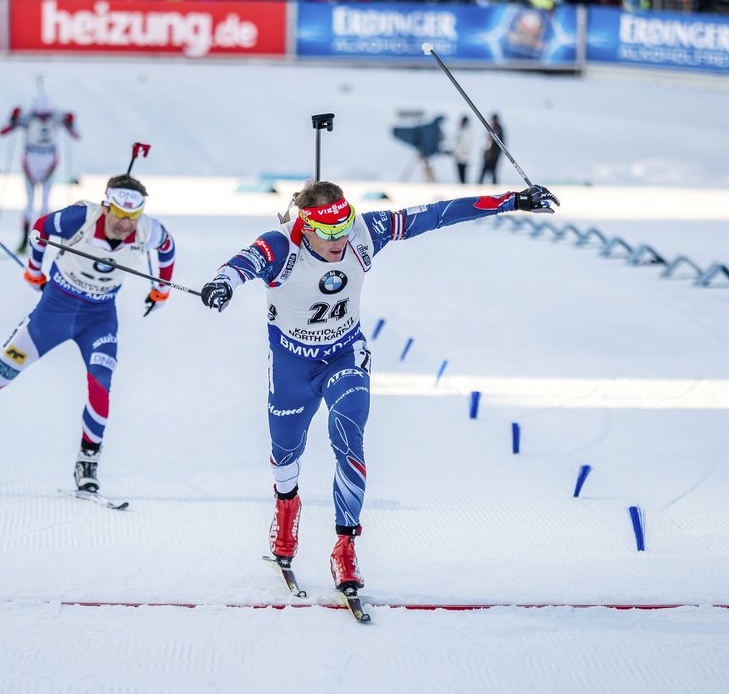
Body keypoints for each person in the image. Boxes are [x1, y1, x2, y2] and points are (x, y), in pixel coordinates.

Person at [199, 180, 557, 592]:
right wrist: (222, 284)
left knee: (348, 437)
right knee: (284, 455)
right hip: (291, 366)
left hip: (344, 356)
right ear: (306, 226)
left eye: (344, 227)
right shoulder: (280, 246)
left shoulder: (365, 231)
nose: (340, 241)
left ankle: (345, 549)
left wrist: (513, 200)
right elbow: (238, 265)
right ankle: (285, 511)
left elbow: (436, 214)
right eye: (328, 232)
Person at [0, 174, 176, 494]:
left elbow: (167, 248)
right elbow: (41, 230)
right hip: (53, 313)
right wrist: (34, 269)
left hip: (98, 320)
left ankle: (87, 463)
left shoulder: (148, 230)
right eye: (119, 214)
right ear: (106, 206)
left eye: (133, 216)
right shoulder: (81, 218)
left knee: (100, 386)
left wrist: (161, 289)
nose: (125, 223)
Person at [0, 93, 80, 254]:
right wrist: (12, 118)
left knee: (45, 201)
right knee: (29, 201)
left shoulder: (57, 118)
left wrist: (71, 122)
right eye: (40, 115)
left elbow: (76, 135)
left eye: (46, 115)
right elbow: (4, 131)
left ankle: (43, 239)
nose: (43, 118)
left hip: (49, 159)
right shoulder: (28, 118)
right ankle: (24, 240)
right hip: (31, 159)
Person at [478, 113, 504, 185]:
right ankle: (479, 184)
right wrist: (485, 153)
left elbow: (501, 143)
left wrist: (495, 154)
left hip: (494, 156)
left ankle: (494, 185)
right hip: (488, 155)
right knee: (484, 171)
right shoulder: (491, 128)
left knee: (494, 171)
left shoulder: (499, 129)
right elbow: (486, 142)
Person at [452, 115, 474, 184]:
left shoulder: (467, 132)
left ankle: (464, 187)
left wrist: (459, 152)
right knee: (460, 175)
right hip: (459, 156)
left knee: (463, 175)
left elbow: (465, 145)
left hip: (463, 156)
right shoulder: (461, 130)